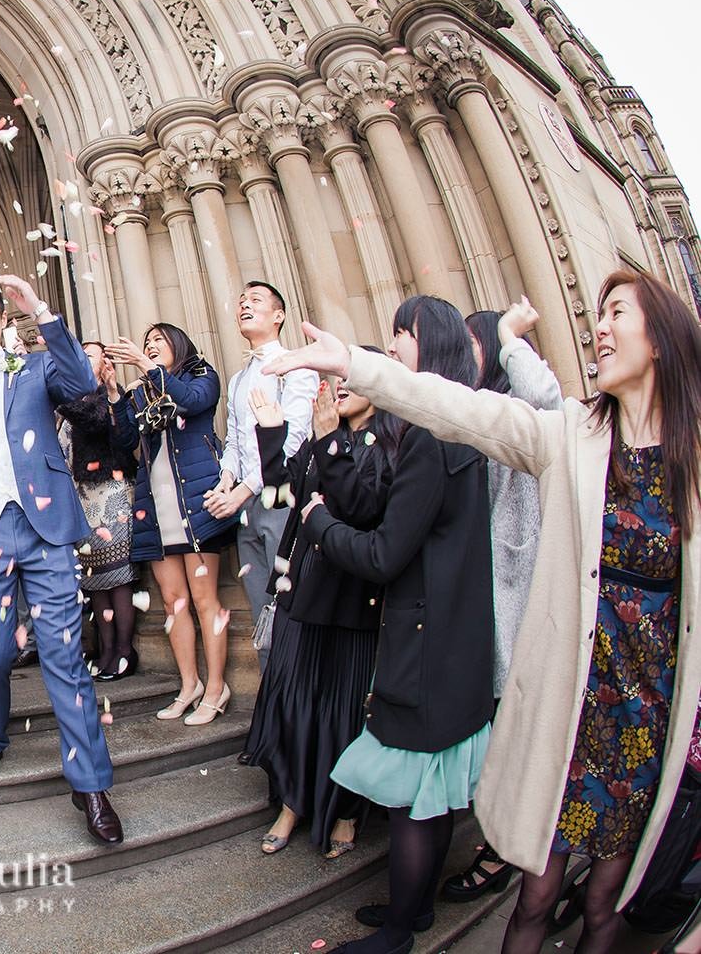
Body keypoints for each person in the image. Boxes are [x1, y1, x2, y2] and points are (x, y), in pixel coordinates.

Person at [264, 270, 701, 954]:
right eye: (601, 314)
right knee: (534, 897)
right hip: (572, 709)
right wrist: (358, 366)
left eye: (617, 312)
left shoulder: (693, 460)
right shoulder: (574, 435)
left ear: (666, 339)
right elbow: (463, 410)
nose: (601, 327)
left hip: (648, 714)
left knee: (604, 902)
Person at [278, 295, 495, 954]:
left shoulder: (429, 440)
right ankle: (418, 911)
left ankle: (399, 933)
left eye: (400, 336)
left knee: (412, 801)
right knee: (433, 793)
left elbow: (381, 555)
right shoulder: (464, 427)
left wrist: (317, 520)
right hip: (458, 639)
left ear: (427, 345)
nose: (393, 346)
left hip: (424, 645)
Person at [0, 275, 122, 844]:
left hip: (46, 529)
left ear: (2, 319)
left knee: (64, 657)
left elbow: (85, 386)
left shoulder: (36, 368)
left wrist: (41, 311)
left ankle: (91, 785)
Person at [241, 355, 395, 859]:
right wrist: (273, 432)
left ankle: (345, 810)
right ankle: (292, 800)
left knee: (344, 707)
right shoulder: (322, 437)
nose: (339, 386)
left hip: (353, 594)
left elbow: (360, 508)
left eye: (351, 378)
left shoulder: (392, 446)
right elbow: (281, 493)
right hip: (304, 586)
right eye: (336, 379)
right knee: (294, 700)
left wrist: (329, 439)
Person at [439, 301, 562, 902]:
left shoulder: (520, 407)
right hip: (480, 590)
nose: (464, 353)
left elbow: (549, 401)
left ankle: (504, 849)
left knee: (517, 723)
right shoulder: (472, 407)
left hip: (516, 585)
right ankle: (503, 835)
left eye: (473, 342)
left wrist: (513, 338)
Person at [110, 323, 234, 723]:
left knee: (203, 599)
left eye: (157, 341)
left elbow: (194, 403)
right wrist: (116, 393)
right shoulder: (144, 390)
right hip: (156, 507)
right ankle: (189, 685)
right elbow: (126, 439)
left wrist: (146, 366)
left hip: (196, 503)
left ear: (178, 344)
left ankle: (217, 688)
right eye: (146, 343)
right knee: (173, 600)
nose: (149, 347)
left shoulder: (200, 374)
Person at [205, 282, 318, 676]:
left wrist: (241, 492)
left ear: (278, 315)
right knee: (260, 609)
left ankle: (301, 700)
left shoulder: (296, 365)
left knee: (292, 602)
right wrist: (226, 479)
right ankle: (274, 700)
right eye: (240, 302)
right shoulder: (238, 380)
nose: (244, 307)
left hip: (284, 498)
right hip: (246, 508)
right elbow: (235, 439)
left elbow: (292, 440)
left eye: (254, 301)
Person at [56, 341, 139, 681]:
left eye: (87, 354)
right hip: (82, 501)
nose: (80, 358)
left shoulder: (110, 398)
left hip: (112, 495)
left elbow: (109, 432)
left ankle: (123, 650)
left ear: (105, 361)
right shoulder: (69, 404)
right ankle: (105, 651)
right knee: (94, 581)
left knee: (117, 577)